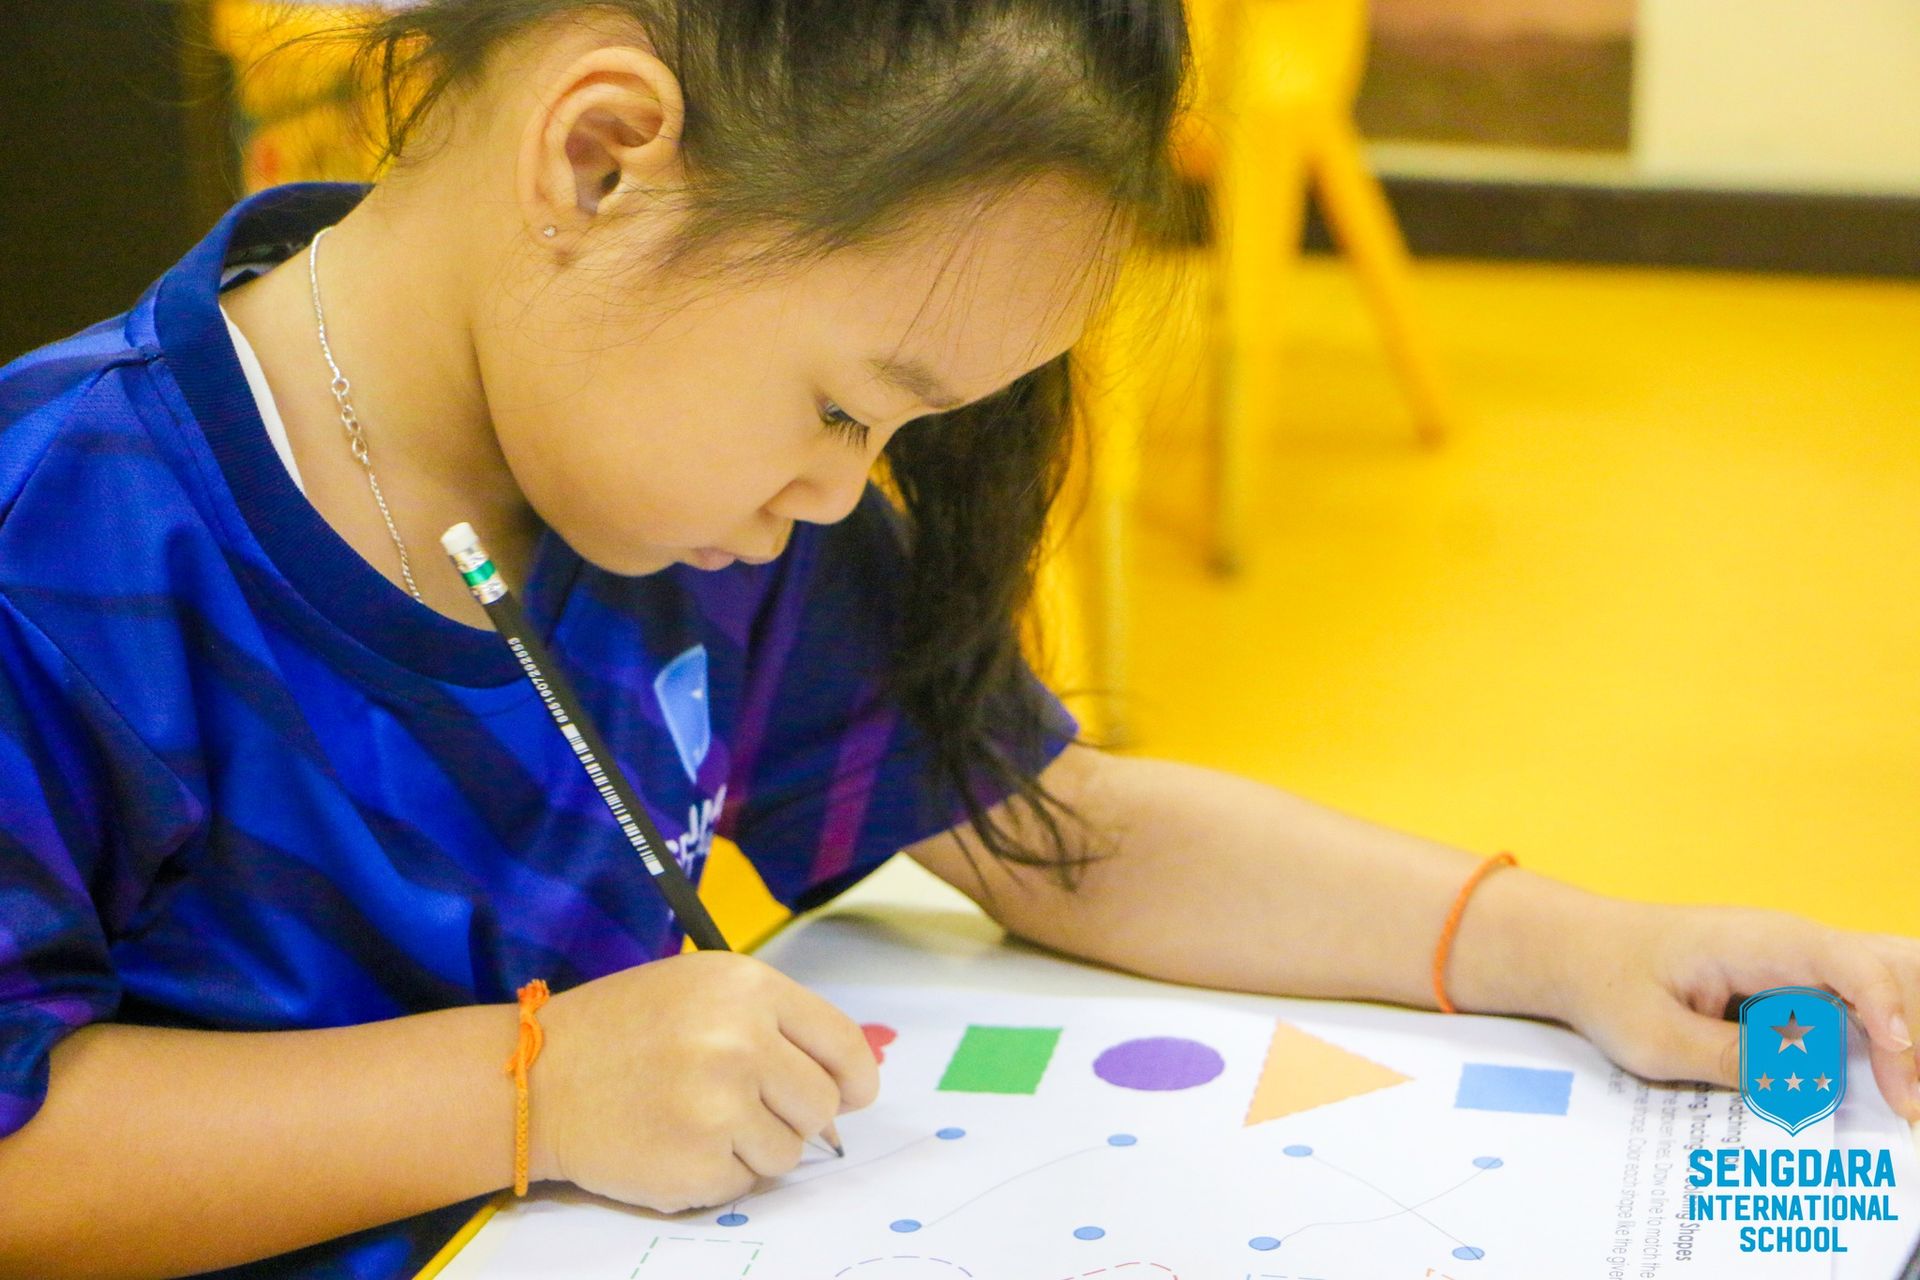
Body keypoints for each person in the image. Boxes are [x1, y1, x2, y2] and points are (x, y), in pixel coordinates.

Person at [0, 2, 1915, 1277]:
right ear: (600, 161)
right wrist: (532, 1092)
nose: (846, 491)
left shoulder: (698, 501)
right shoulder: (65, 543)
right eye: (848, 405)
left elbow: (1056, 830)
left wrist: (1579, 949)